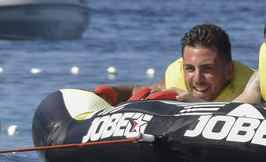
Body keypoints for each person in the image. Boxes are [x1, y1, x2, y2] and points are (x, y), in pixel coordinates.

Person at [96, 24, 254, 104]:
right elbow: (135, 90)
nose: (197, 79)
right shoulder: (175, 83)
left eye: (207, 68)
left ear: (229, 71)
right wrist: (111, 92)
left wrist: (197, 105)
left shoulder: (253, 88)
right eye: (190, 69)